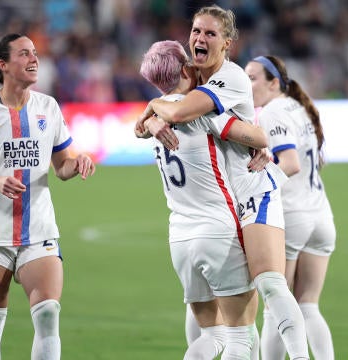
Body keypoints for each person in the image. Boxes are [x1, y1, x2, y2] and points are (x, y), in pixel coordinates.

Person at [135, 5, 310, 360]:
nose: (200, 38)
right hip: (219, 207)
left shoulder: (229, 78)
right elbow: (158, 119)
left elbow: (190, 115)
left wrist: (154, 108)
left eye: (210, 33)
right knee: (233, 327)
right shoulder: (193, 79)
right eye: (196, 31)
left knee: (269, 284)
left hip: (251, 191)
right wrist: (150, 120)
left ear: (227, 43)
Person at [0, 33, 95, 360]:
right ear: (3, 65)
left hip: (39, 231)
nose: (34, 59)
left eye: (35, 53)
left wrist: (78, 162)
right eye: (24, 54)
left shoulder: (48, 107)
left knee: (47, 315)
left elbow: (61, 166)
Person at [136, 39, 267, 359]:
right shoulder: (204, 111)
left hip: (180, 238)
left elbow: (139, 127)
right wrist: (257, 141)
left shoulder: (155, 123)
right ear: (185, 68)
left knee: (213, 335)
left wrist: (152, 114)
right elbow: (259, 137)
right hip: (217, 228)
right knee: (240, 336)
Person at [245, 55, 337, 360]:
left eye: (253, 78)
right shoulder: (300, 107)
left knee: (275, 306)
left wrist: (256, 186)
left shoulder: (272, 112)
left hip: (293, 217)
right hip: (321, 215)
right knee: (308, 304)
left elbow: (290, 163)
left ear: (274, 83)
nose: (248, 84)